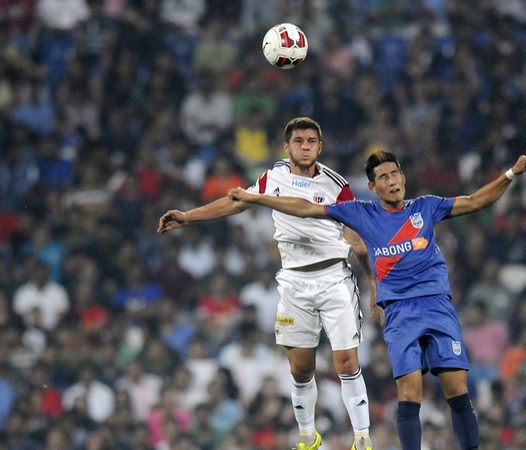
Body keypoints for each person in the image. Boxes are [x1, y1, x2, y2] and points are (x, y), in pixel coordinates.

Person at [229, 150, 526, 450]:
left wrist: (510, 174)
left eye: (395, 174)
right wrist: (258, 198)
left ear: (403, 177)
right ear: (373, 187)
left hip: (437, 305)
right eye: (383, 177)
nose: (392, 181)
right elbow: (305, 208)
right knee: (409, 392)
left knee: (457, 389)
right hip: (399, 311)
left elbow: (476, 201)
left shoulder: (426, 206)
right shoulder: (361, 213)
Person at [157, 117, 373, 450]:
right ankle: (308, 438)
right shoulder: (274, 176)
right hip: (294, 281)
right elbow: (237, 201)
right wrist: (189, 216)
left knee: (346, 362)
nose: (305, 147)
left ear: (320, 147)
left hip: (334, 277)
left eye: (311, 141)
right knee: (300, 369)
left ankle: (362, 438)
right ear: (286, 147)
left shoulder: (336, 185)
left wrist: (373, 281)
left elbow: (355, 236)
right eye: (298, 141)